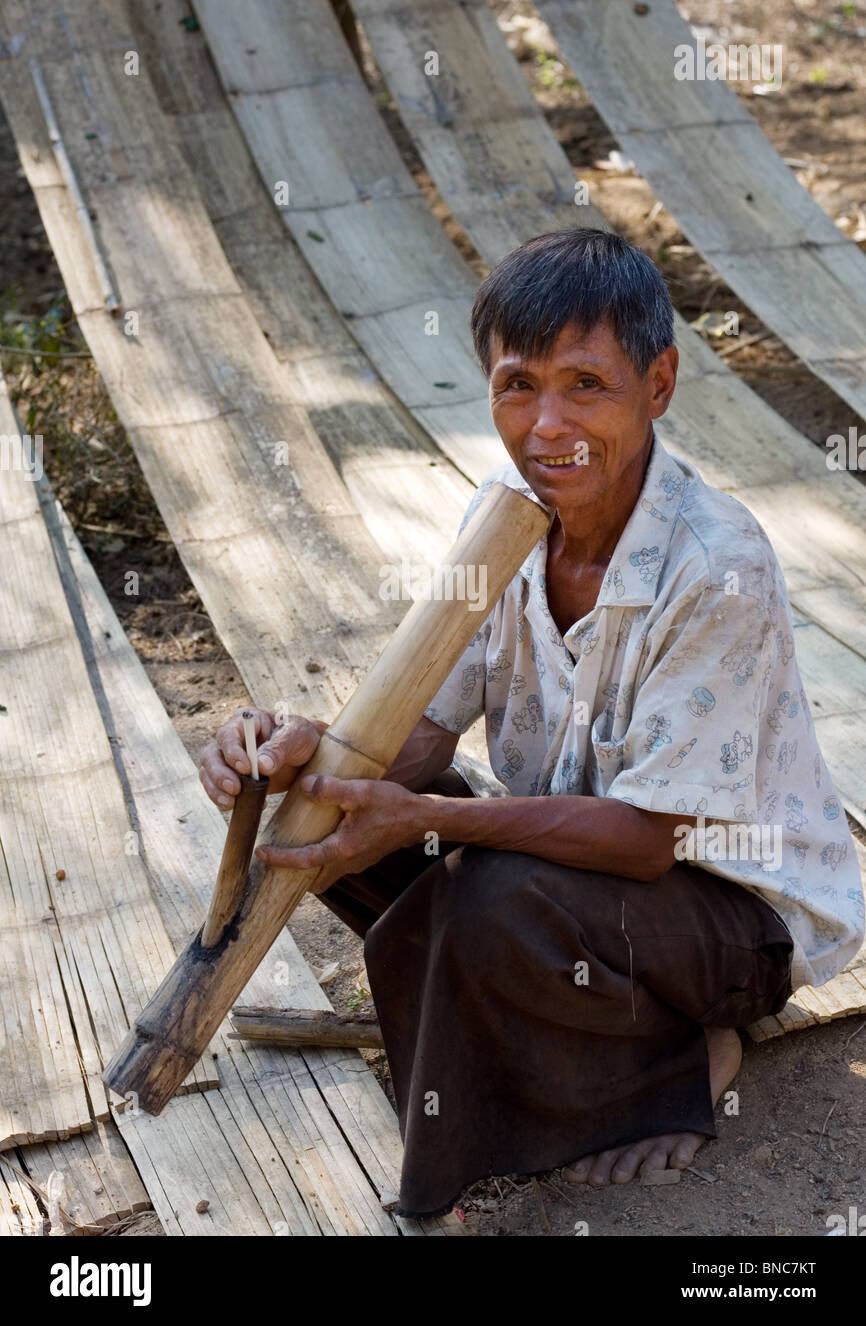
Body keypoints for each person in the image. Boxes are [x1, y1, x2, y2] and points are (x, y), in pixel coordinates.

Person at [199, 228, 864, 1218]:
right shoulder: (503, 515)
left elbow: (643, 843)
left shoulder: (713, 562)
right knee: (347, 834)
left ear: (659, 384)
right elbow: (420, 737)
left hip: (728, 917)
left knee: (480, 892)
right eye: (516, 386)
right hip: (578, 881)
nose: (546, 424)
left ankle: (680, 1056)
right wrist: (305, 758)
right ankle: (609, 1045)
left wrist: (428, 819)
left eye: (584, 385)